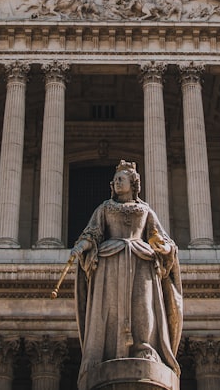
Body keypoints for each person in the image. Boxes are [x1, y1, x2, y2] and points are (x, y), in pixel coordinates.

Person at [71, 160, 182, 387]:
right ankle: (104, 351)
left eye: (121, 179)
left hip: (141, 263)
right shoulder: (104, 209)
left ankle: (145, 347)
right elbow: (91, 234)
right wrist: (80, 247)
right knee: (107, 310)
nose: (116, 182)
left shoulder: (145, 210)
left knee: (143, 307)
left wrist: (166, 248)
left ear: (133, 183)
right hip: (109, 263)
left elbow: (161, 237)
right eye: (115, 180)